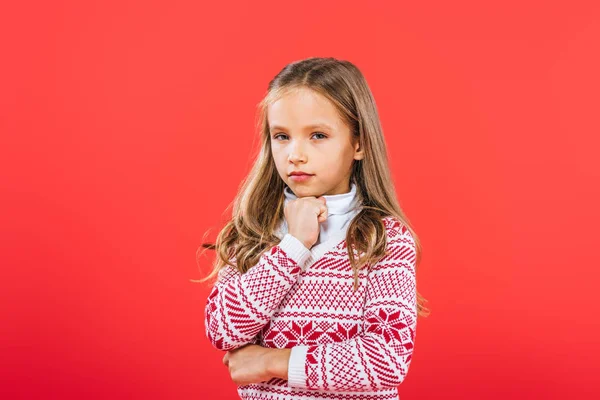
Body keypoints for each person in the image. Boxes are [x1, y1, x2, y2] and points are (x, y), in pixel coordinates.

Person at [197, 56, 430, 400]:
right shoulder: (252, 232)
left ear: (359, 143)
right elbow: (222, 330)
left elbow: (386, 360)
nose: (295, 154)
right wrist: (292, 246)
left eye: (317, 135)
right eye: (282, 136)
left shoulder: (385, 239)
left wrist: (272, 362)